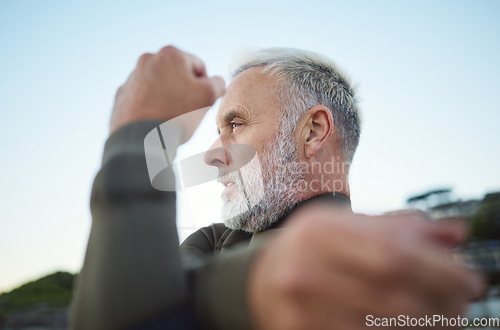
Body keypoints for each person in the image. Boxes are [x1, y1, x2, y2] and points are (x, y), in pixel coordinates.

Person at [70, 45, 483, 330]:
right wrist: (244, 288)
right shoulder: (211, 241)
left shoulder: (391, 278)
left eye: (235, 124)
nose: (212, 154)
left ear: (313, 131)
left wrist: (138, 133)